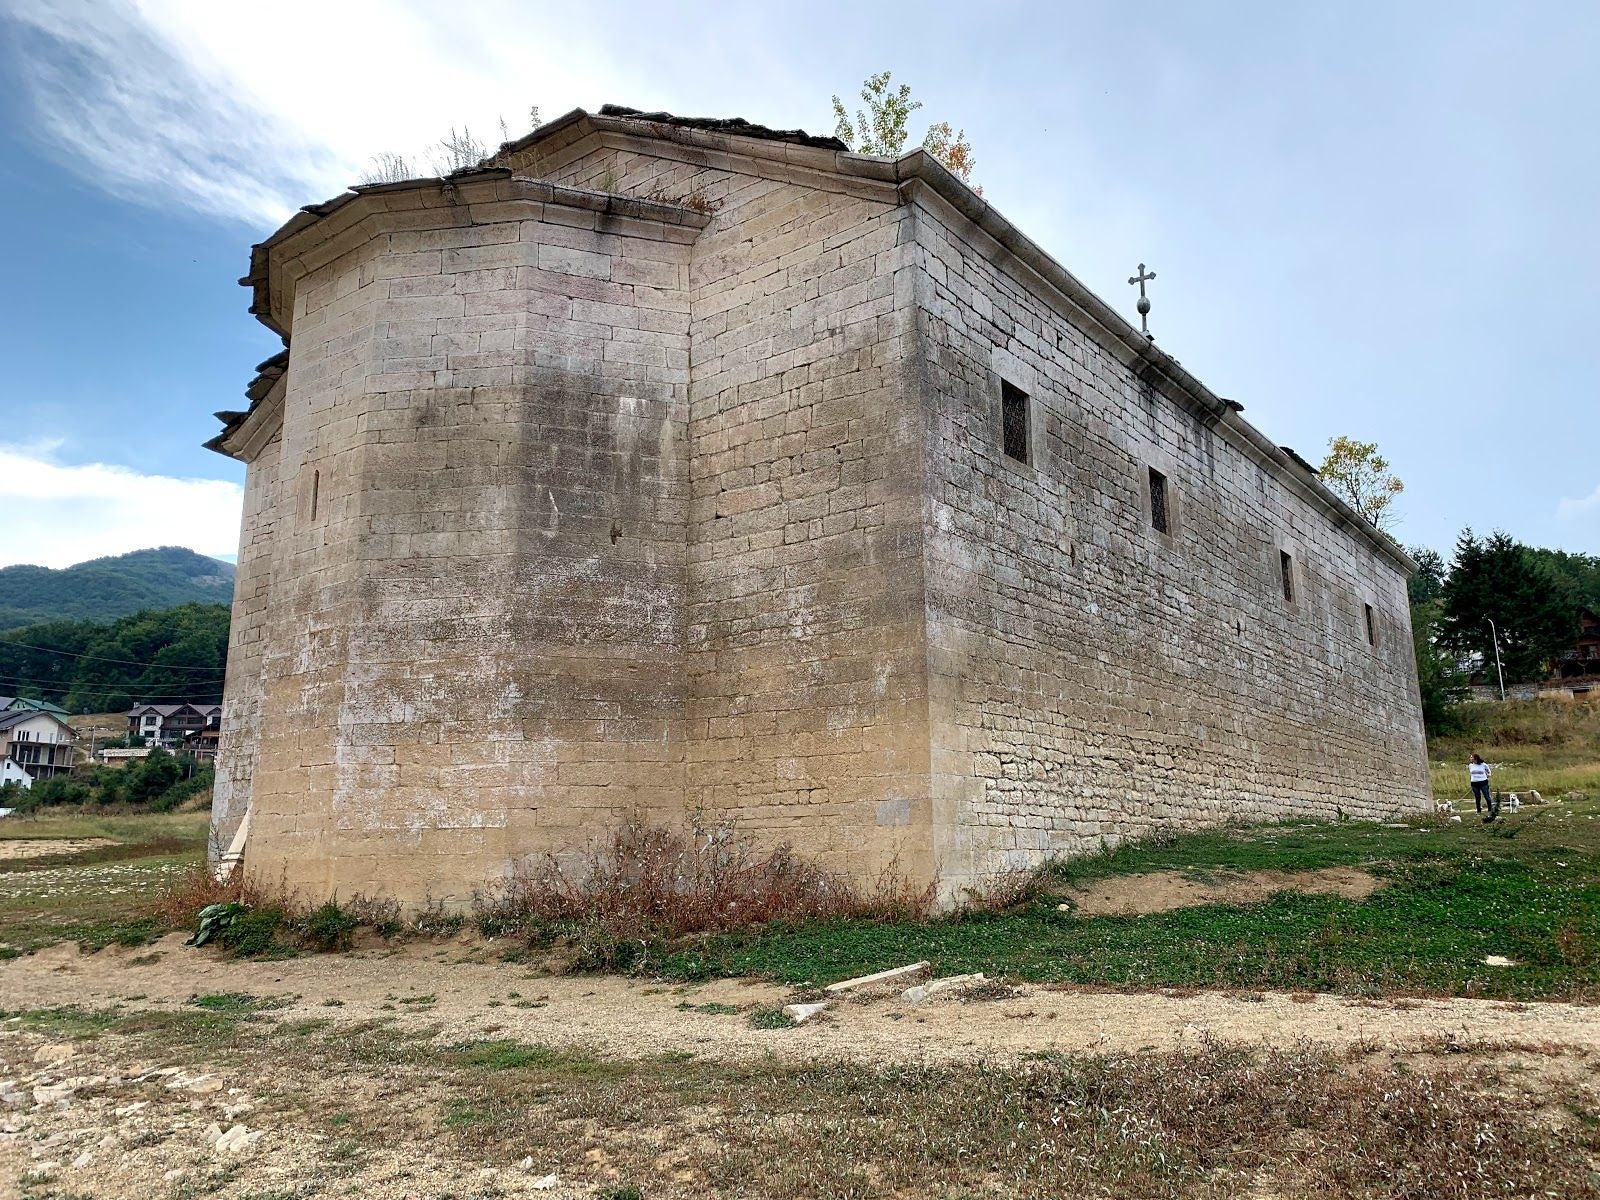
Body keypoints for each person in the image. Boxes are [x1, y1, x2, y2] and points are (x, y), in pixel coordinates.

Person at [1468, 754, 1497, 822]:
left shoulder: (1483, 765)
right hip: (1474, 783)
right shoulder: (1470, 765)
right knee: (1477, 797)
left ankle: (1490, 810)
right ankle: (1478, 810)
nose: (1470, 758)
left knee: (1487, 796)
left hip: (1483, 782)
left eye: (1471, 757)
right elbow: (1471, 773)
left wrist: (1487, 775)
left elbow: (1489, 772)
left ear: (1475, 758)